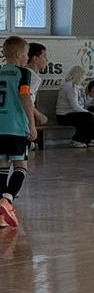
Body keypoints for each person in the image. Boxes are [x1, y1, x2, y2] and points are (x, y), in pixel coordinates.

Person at [0, 36, 38, 229]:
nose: (27, 57)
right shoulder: (23, 73)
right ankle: (7, 200)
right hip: (16, 126)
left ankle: (1, 213)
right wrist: (32, 124)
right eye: (25, 53)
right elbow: (25, 98)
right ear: (17, 54)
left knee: (2, 166)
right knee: (21, 166)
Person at [55, 67, 94, 147]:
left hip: (74, 113)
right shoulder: (69, 86)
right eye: (84, 75)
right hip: (64, 116)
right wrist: (91, 114)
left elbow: (83, 104)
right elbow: (75, 106)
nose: (84, 77)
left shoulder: (78, 87)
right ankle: (77, 140)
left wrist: (91, 95)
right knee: (87, 116)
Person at [25, 43, 49, 131]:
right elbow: (25, 99)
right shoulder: (32, 77)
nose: (47, 60)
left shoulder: (23, 72)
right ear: (35, 59)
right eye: (44, 56)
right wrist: (39, 115)